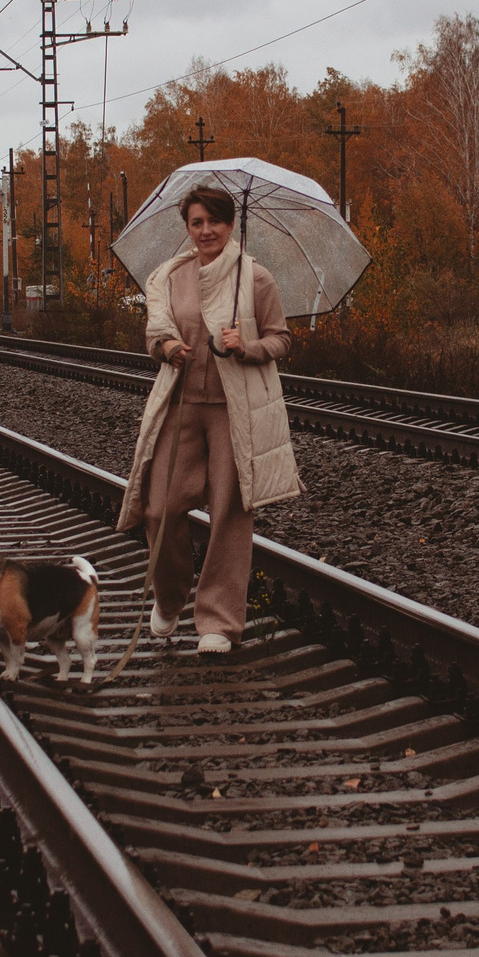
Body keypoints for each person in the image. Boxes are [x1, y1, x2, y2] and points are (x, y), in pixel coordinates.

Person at [116, 184, 300, 655]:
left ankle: (219, 622)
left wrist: (247, 346)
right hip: (180, 406)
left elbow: (281, 338)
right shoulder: (170, 276)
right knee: (158, 508)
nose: (205, 231)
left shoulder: (255, 278)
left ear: (230, 224)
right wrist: (166, 347)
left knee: (230, 515)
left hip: (233, 410)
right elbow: (154, 334)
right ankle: (170, 596)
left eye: (214, 221)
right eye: (196, 222)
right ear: (187, 228)